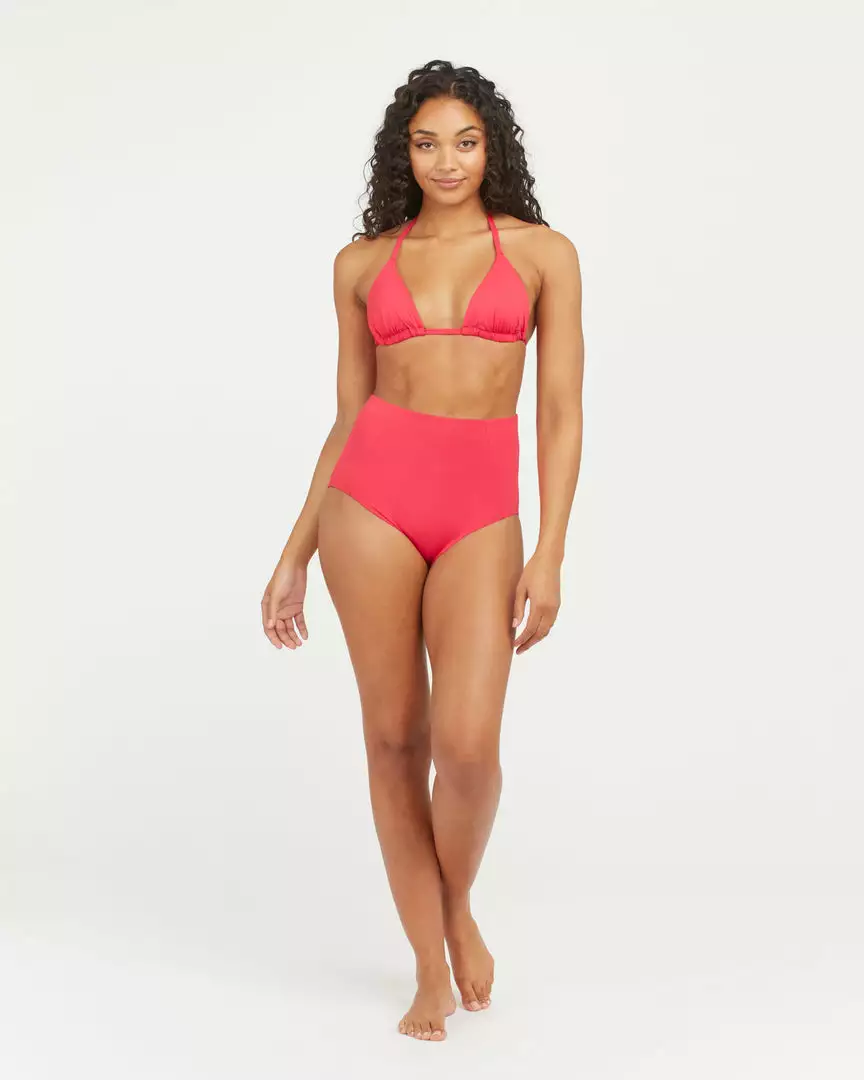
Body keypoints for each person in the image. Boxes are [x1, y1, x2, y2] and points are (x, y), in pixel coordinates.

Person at [261, 59, 584, 1042]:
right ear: (402, 153)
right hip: (369, 505)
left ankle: (455, 906)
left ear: (494, 149)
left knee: (469, 750)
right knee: (396, 740)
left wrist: (550, 553)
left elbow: (560, 413)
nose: (447, 160)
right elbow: (348, 416)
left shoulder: (543, 254)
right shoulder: (361, 264)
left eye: (466, 141)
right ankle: (427, 964)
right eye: (427, 142)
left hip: (481, 514)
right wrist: (294, 551)